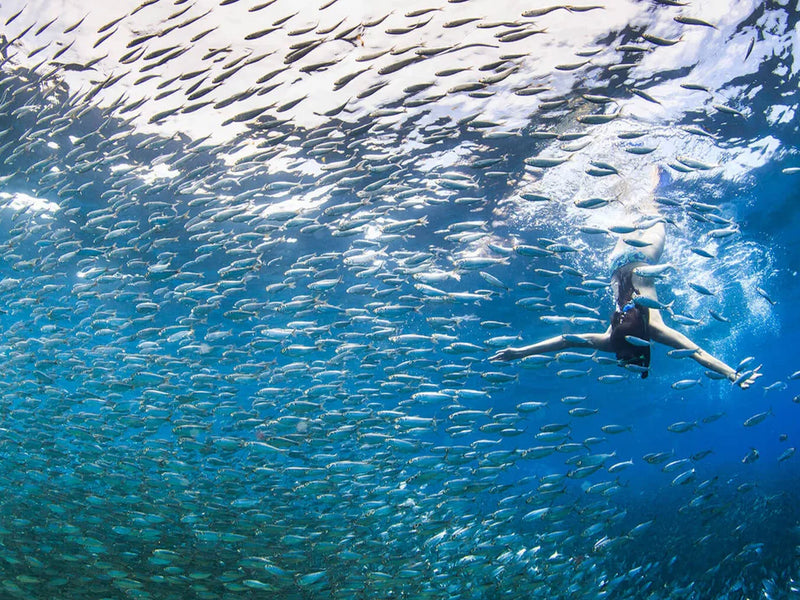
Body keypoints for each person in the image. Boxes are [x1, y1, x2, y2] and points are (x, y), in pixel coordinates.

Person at [489, 167, 761, 390]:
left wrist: (732, 374)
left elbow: (696, 352)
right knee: (636, 209)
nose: (620, 359)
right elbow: (566, 340)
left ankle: (639, 170)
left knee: (648, 210)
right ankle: (632, 171)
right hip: (620, 262)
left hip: (640, 258)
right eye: (625, 361)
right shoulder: (629, 336)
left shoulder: (646, 332)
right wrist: (520, 352)